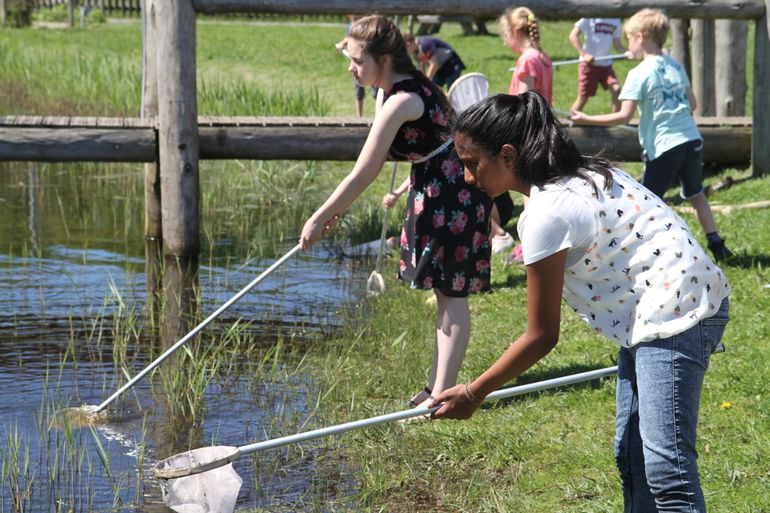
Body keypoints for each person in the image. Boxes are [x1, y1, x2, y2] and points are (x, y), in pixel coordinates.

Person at [430, 91, 731, 513]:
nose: (466, 176)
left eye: (471, 163)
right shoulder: (581, 173)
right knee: (632, 455)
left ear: (508, 154)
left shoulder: (546, 214)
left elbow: (541, 335)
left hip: (678, 310)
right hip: (658, 306)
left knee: (668, 472)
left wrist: (473, 393)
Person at [301, 15, 493, 411]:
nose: (351, 69)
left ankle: (443, 394)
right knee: (443, 293)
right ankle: (437, 387)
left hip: (454, 196)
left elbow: (365, 170)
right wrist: (337, 209)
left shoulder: (405, 98)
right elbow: (377, 154)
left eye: (357, 61)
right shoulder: (387, 91)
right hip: (436, 191)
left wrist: (320, 217)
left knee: (452, 295)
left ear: (384, 59)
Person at [570, 9, 733, 261]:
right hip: (691, 140)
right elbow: (692, 104)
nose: (627, 46)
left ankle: (650, 252)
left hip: (665, 146)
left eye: (629, 39)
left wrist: (585, 118)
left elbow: (624, 116)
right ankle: (716, 244)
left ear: (641, 37)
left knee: (647, 203)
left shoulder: (639, 73)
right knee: (696, 193)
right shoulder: (675, 64)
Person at [568, 18, 628, 113]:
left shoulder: (615, 20)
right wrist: (584, 54)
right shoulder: (589, 17)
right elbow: (573, 36)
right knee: (583, 98)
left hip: (606, 65)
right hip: (588, 65)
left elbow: (618, 46)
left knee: (617, 90)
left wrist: (629, 53)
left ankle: (616, 122)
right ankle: (568, 121)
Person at [499, 7, 553, 103]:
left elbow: (524, 103)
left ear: (515, 33)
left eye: (506, 36)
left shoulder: (527, 60)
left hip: (528, 118)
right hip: (542, 117)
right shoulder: (543, 56)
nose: (505, 43)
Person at [336, 15, 374, 117]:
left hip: (367, 62)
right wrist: (342, 43)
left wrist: (343, 43)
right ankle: (359, 117)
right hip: (358, 62)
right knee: (358, 89)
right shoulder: (349, 26)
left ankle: (380, 114)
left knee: (376, 90)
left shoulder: (367, 24)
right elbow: (350, 37)